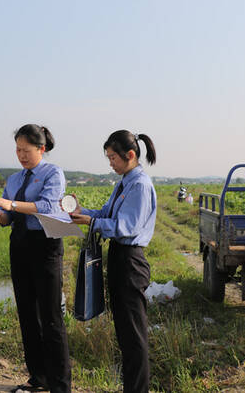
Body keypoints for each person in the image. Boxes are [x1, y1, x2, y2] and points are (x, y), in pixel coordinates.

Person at [70, 130, 157, 393]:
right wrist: (80, 212)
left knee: (133, 335)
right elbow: (105, 214)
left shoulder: (139, 185)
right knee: (125, 333)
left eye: (112, 158)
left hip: (131, 261)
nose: (110, 163)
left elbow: (126, 226)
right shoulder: (124, 182)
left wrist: (92, 222)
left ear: (129, 155)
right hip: (119, 259)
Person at [0, 124, 71, 393]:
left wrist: (11, 205)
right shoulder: (14, 179)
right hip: (20, 246)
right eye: (17, 150)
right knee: (26, 314)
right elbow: (6, 218)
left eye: (26, 150)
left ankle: (60, 385)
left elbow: (48, 206)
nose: (21, 155)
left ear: (41, 149)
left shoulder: (52, 173)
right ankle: (38, 379)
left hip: (45, 246)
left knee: (50, 318)